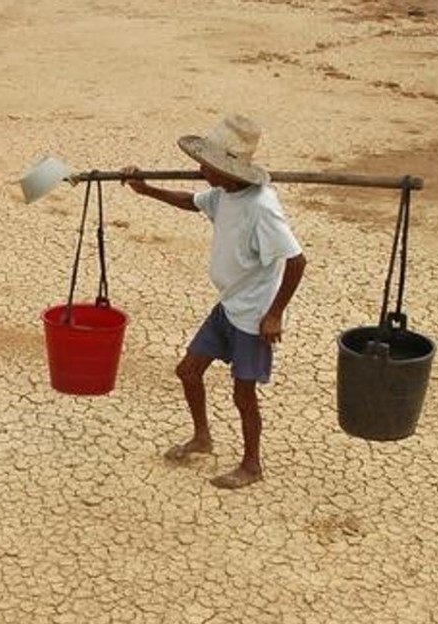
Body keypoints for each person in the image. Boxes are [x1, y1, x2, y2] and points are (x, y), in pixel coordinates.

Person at [121, 114, 306, 490]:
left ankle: (252, 465)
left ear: (230, 170)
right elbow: (192, 202)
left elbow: (297, 259)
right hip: (228, 305)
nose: (200, 168)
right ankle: (202, 438)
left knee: (243, 393)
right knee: (188, 371)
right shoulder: (225, 194)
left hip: (252, 316)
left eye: (208, 165)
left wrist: (274, 314)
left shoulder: (262, 206)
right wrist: (146, 190)